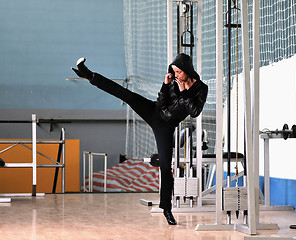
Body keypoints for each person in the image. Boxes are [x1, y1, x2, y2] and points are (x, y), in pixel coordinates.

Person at [72, 53, 208, 225]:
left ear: (188, 70)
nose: (176, 76)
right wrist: (165, 87)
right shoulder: (173, 82)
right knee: (126, 95)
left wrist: (183, 91)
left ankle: (166, 209)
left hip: (165, 127)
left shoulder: (201, 88)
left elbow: (195, 111)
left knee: (166, 168)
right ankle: (90, 75)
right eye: (174, 72)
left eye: (179, 72)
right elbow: (161, 104)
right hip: (154, 112)